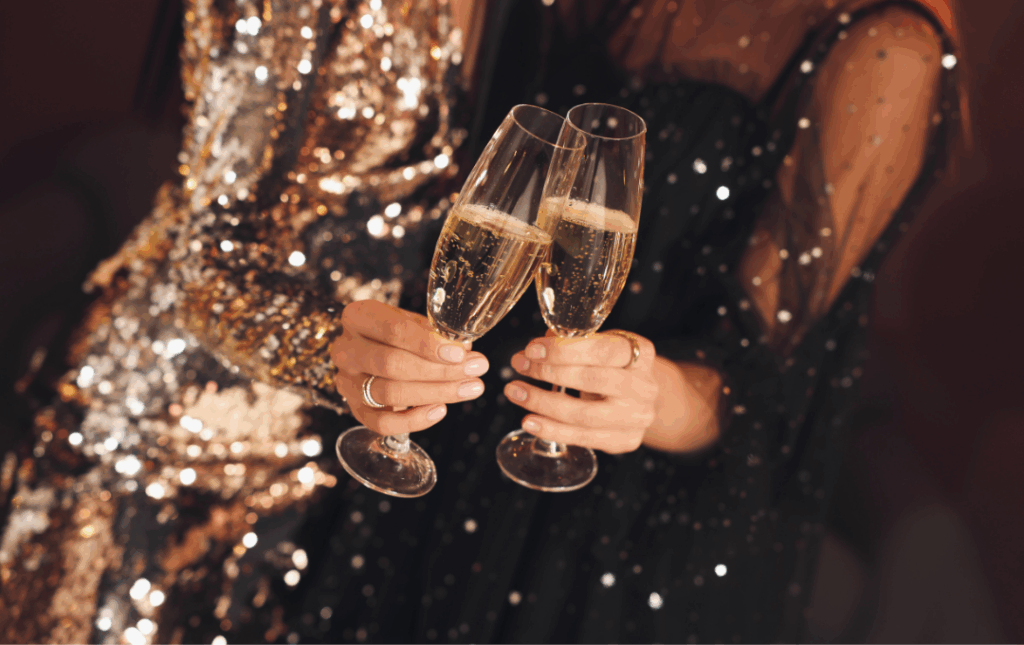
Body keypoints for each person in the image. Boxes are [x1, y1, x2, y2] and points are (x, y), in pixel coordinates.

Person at [0, 0, 964, 643]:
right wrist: (324, 351)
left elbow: (776, 379)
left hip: (548, 525)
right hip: (214, 464)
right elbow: (195, 252)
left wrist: (656, 395)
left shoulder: (883, 48)